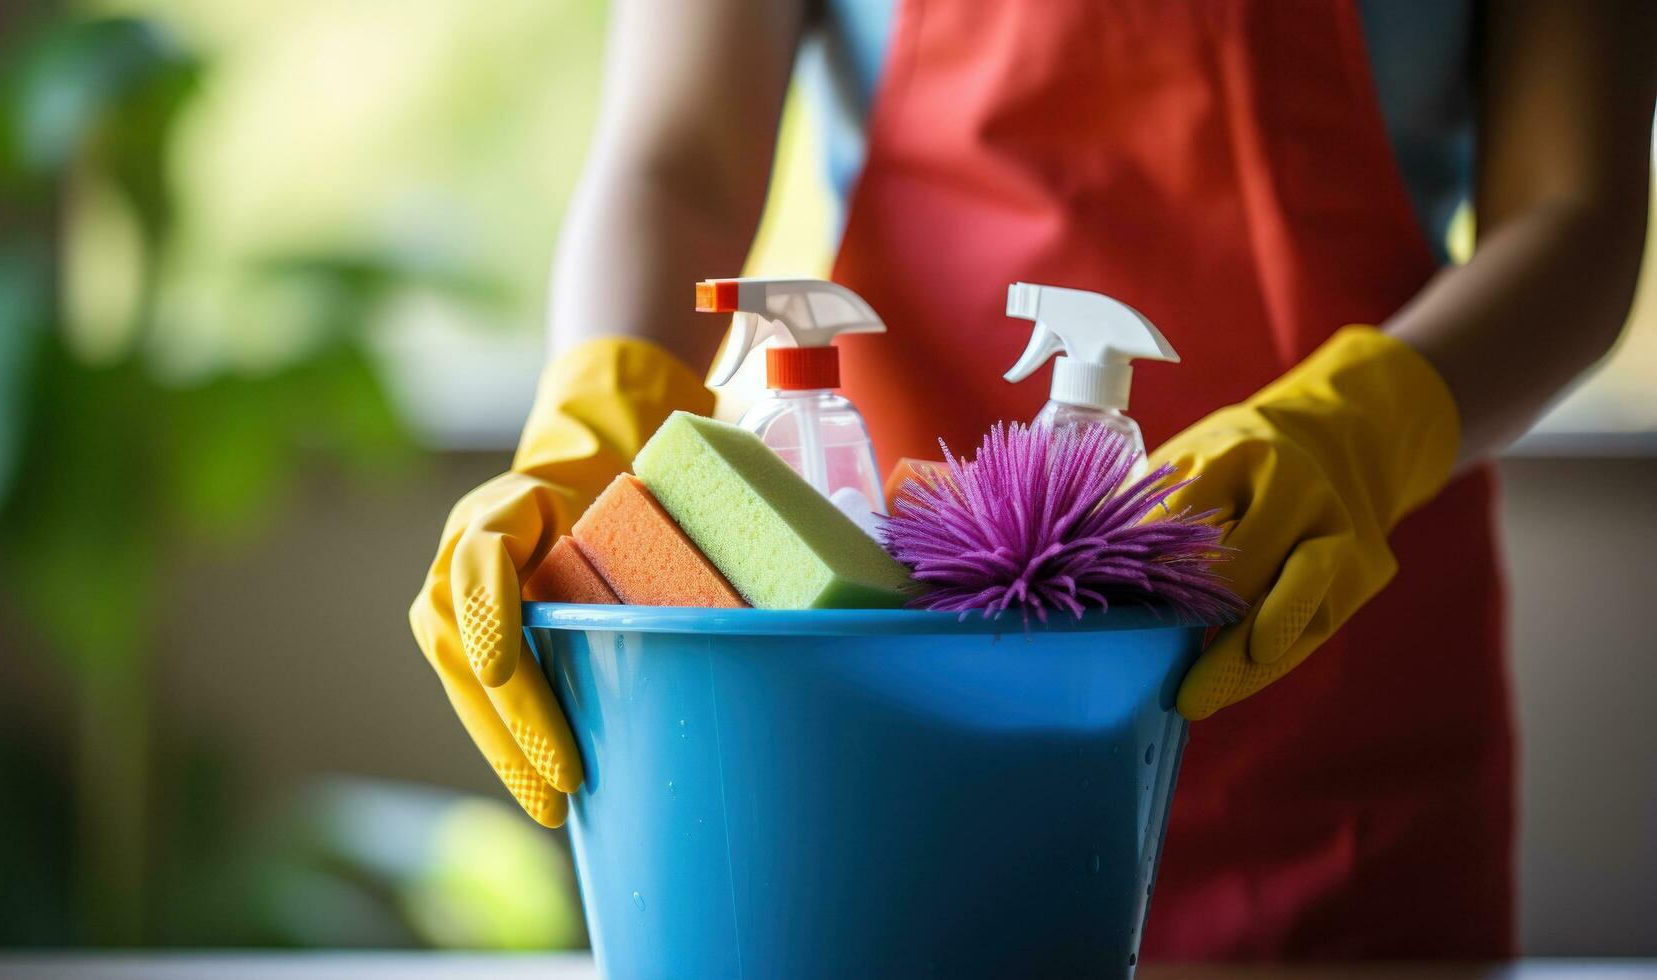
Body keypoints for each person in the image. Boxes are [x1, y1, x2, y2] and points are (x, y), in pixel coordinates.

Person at [411, 0, 1654, 959]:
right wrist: (594, 429)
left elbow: (1581, 210)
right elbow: (676, 156)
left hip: (1326, 638)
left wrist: (1349, 436)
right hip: (902, 676)